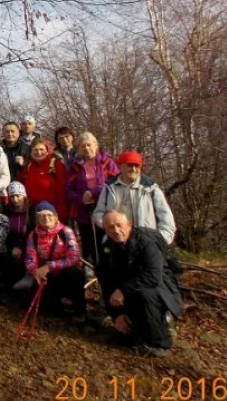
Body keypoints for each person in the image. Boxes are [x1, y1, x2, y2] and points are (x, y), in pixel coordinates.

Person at [97, 211, 181, 357]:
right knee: (127, 340)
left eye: (119, 225)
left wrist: (123, 290)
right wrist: (116, 314)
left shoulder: (147, 242)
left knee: (145, 294)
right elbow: (106, 283)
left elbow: (154, 275)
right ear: (105, 229)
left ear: (129, 225)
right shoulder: (107, 248)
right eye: (110, 227)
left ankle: (161, 342)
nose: (116, 231)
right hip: (129, 291)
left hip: (158, 289)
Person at [92, 151, 176, 245]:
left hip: (146, 242)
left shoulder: (150, 188)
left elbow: (166, 216)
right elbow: (98, 213)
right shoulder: (109, 187)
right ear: (120, 166)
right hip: (115, 241)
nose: (133, 169)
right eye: (129, 165)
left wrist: (162, 240)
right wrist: (110, 227)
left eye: (137, 166)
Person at [18, 202, 85, 318]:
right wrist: (36, 272)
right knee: (47, 308)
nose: (46, 218)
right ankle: (55, 306)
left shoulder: (66, 231)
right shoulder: (33, 235)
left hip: (64, 272)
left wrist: (49, 266)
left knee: (75, 274)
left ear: (56, 217)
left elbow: (73, 257)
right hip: (46, 275)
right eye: (42, 216)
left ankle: (79, 310)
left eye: (49, 215)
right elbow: (30, 259)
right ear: (37, 219)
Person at [65, 132, 119, 265]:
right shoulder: (75, 167)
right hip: (84, 210)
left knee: (106, 241)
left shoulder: (107, 163)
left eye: (89, 145)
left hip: (106, 208)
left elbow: (115, 183)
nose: (86, 148)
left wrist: (94, 193)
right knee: (89, 242)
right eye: (82, 146)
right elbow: (69, 189)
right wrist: (81, 199)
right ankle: (92, 270)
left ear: (95, 145)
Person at [17, 138, 66, 217]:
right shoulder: (29, 167)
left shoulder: (56, 165)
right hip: (33, 212)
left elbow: (62, 191)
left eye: (41, 149)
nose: (39, 152)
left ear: (47, 151)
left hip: (52, 212)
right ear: (31, 153)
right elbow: (18, 184)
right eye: (35, 150)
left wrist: (61, 213)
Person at [4, 181, 31, 283]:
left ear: (24, 195)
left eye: (18, 196)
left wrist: (20, 246)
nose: (15, 200)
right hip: (11, 244)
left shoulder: (31, 211)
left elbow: (31, 232)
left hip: (27, 244)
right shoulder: (7, 211)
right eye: (12, 197)